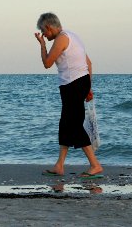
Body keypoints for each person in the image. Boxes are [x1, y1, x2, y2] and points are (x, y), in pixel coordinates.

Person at [34, 12, 103, 178]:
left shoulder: (61, 39)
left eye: (44, 32)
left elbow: (47, 63)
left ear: (49, 27)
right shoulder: (73, 36)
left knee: (73, 124)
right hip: (80, 82)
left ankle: (95, 165)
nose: (44, 34)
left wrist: (42, 45)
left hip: (72, 84)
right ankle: (59, 165)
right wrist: (88, 88)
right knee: (65, 124)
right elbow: (89, 64)